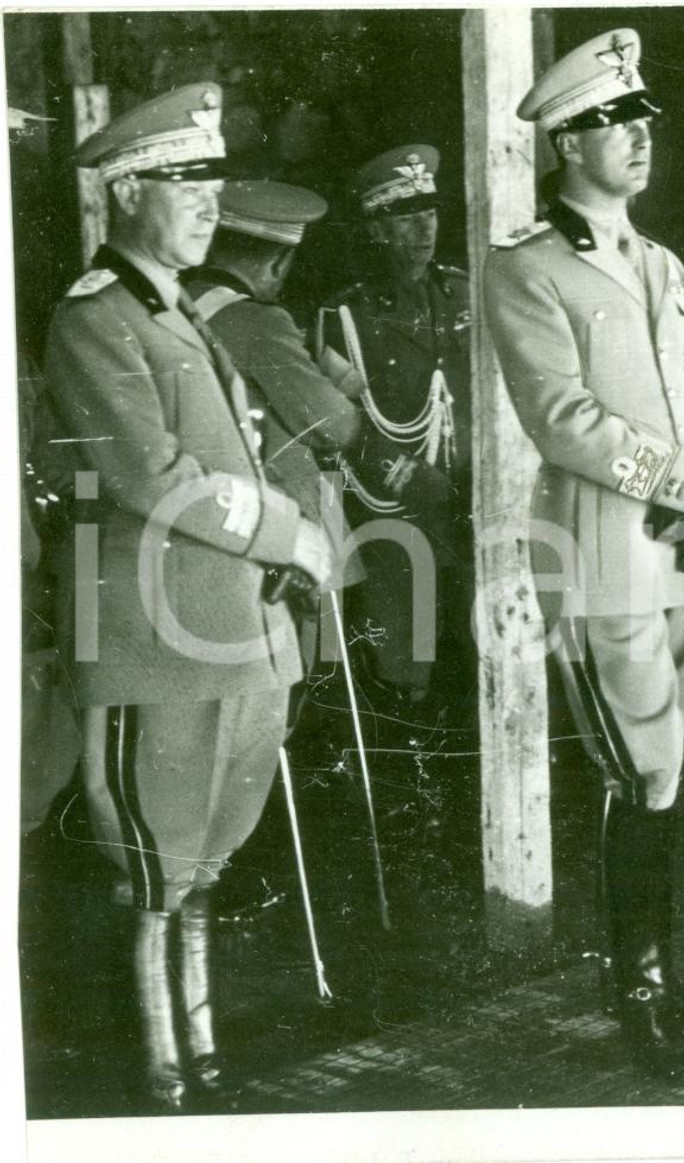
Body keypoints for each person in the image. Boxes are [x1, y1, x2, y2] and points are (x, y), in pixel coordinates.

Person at [40, 83, 336, 1112]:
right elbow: (148, 471)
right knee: (155, 864)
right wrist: (284, 531)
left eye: (211, 177)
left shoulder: (182, 311)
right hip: (150, 637)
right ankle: (164, 1075)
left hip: (238, 630)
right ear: (125, 192)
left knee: (210, 854)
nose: (207, 201)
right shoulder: (97, 318)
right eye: (181, 179)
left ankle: (205, 1055)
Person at [483, 29, 684, 1086]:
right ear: (564, 145)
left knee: (672, 754)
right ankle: (636, 989)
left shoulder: (663, 263)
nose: (635, 136)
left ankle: (660, 972)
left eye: (637, 117)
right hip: (607, 555)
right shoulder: (527, 268)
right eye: (607, 121)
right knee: (638, 766)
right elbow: (564, 420)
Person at [183, 178, 455, 911]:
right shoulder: (258, 320)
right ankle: (247, 862)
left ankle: (229, 860)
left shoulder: (182, 307)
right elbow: (333, 423)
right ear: (272, 263)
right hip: (284, 529)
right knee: (284, 700)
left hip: (210, 530)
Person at [317, 144, 473, 712]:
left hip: (467, 497)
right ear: (376, 229)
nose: (422, 228)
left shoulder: (464, 292)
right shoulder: (346, 317)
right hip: (395, 507)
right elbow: (339, 421)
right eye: (405, 217)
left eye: (428, 213)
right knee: (405, 660)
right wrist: (410, 475)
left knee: (475, 643)